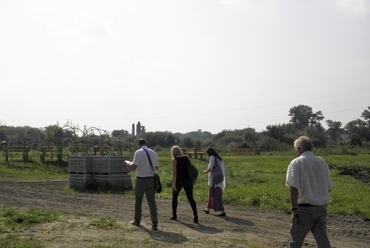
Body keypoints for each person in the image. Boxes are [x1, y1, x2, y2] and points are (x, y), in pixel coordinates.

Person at [285, 136, 332, 248]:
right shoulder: (321, 162)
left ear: (299, 149)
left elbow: (294, 187)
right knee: (323, 242)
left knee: (295, 241)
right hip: (321, 208)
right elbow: (328, 187)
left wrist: (294, 209)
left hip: (304, 210)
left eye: (296, 150)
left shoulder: (296, 162)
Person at [125, 138, 159, 230]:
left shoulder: (138, 152)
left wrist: (128, 163)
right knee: (151, 201)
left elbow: (134, 166)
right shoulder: (153, 153)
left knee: (138, 200)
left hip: (141, 179)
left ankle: (137, 220)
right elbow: (156, 167)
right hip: (151, 179)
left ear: (138, 144)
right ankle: (154, 223)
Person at [170, 146, 198, 223]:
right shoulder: (187, 158)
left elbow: (174, 172)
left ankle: (174, 215)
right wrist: (193, 179)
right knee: (190, 198)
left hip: (179, 181)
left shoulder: (174, 160)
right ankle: (195, 215)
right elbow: (191, 168)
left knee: (175, 197)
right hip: (188, 180)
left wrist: (174, 183)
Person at [203, 147, 226, 216]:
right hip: (219, 178)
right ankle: (208, 208)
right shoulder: (219, 158)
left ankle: (222, 211)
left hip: (214, 179)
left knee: (215, 194)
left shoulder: (212, 157)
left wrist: (205, 171)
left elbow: (211, 168)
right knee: (214, 193)